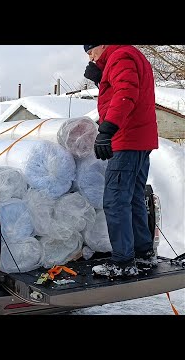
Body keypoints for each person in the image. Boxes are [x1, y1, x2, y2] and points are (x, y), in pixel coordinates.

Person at [83, 45, 159, 278]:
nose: (90, 57)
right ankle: (143, 253)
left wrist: (107, 130)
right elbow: (120, 89)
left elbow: (125, 94)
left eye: (91, 51)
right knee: (133, 197)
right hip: (140, 139)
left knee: (115, 200)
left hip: (127, 139)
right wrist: (101, 79)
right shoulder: (128, 54)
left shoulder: (120, 56)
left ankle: (123, 262)